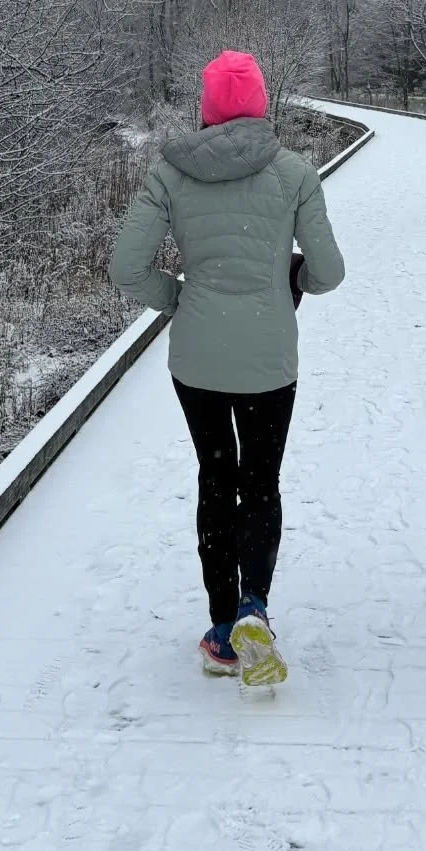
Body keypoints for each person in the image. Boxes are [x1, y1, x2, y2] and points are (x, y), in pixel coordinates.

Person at [110, 52, 345, 685]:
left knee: (216, 481)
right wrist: (289, 274)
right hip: (270, 358)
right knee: (261, 481)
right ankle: (255, 609)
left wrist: (180, 297)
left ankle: (219, 627)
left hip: (198, 358)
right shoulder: (295, 173)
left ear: (207, 109)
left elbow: (127, 268)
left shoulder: (170, 173)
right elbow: (329, 273)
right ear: (263, 104)